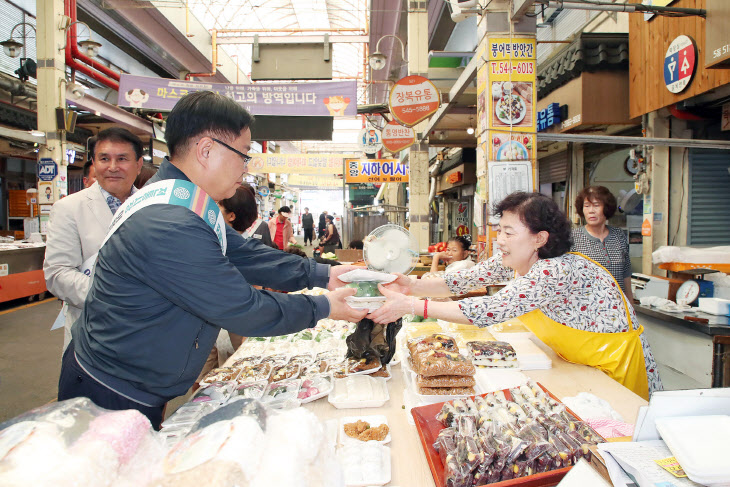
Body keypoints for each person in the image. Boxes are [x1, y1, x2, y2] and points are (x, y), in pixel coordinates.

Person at [58, 91, 366, 427]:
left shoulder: (183, 198)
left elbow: (243, 253)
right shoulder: (169, 222)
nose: (246, 169)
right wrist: (325, 307)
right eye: (243, 155)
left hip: (133, 380)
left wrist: (324, 275)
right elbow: (241, 308)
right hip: (111, 392)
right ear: (206, 150)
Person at [370, 192, 661, 399]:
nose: (500, 240)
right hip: (578, 362)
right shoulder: (516, 260)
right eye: (500, 231)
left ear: (540, 238)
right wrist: (410, 284)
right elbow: (462, 280)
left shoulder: (555, 270)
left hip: (615, 366)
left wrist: (410, 304)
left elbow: (490, 309)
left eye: (509, 232)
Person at [44, 127, 143, 352]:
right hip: (93, 335)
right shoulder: (69, 208)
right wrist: (117, 297)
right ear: (94, 163)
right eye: (104, 158)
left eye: (122, 159)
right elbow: (57, 274)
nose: (113, 167)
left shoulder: (155, 206)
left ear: (138, 164)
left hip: (146, 334)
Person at [571, 186, 634, 303]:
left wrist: (630, 306)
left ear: (606, 208)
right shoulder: (572, 237)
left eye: (596, 205)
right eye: (587, 206)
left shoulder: (618, 235)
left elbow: (626, 272)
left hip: (618, 306)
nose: (591, 211)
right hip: (586, 308)